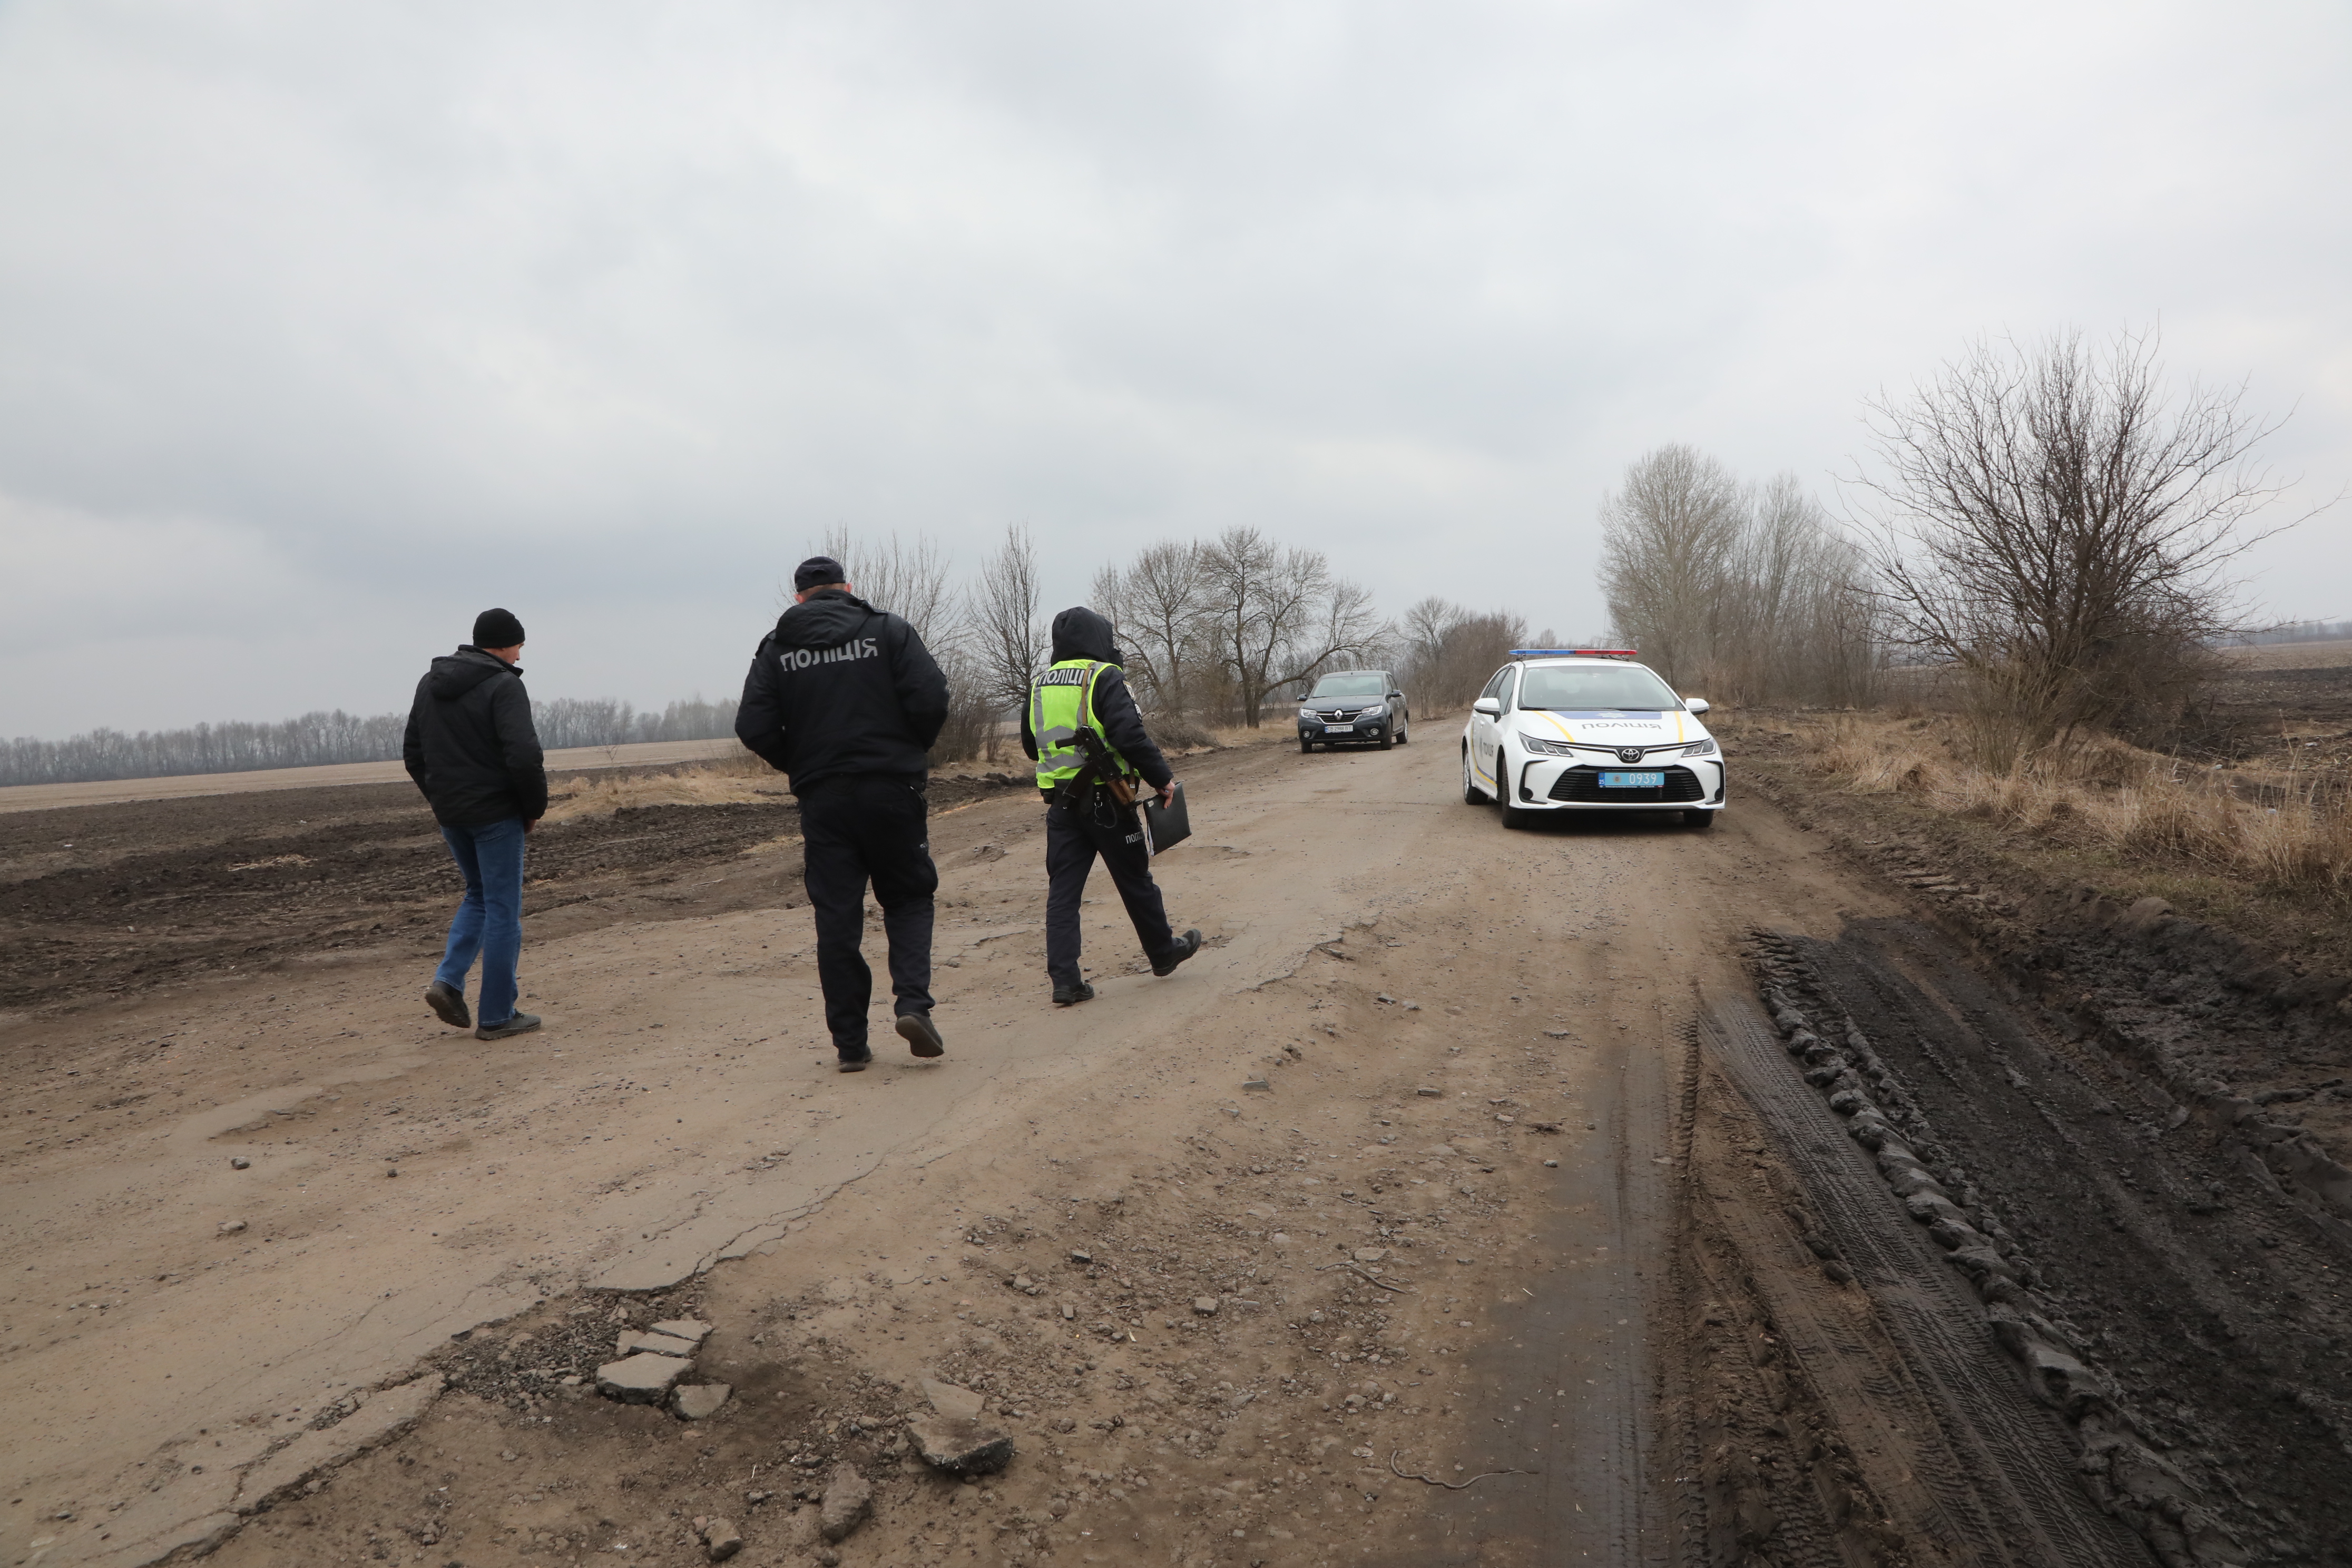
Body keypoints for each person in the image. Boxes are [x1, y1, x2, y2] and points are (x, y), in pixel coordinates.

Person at [736, 556, 952, 1072]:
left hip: (824, 801)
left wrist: (803, 764)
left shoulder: (776, 651)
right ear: (848, 588)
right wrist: (908, 752)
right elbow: (932, 697)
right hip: (892, 788)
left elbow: (753, 725)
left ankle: (850, 1044)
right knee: (907, 897)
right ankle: (913, 1006)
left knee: (837, 918)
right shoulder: (887, 630)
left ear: (799, 599)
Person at [1021, 606, 1202, 1005]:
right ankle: (1163, 953)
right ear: (1099, 638)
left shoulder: (1039, 685)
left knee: (1063, 893)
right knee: (1135, 880)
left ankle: (1065, 982)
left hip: (1062, 806)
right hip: (1107, 800)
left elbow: (1031, 745)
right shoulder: (1104, 676)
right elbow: (1129, 736)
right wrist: (1163, 779)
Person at [405, 607, 548, 1041]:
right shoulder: (504, 685)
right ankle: (497, 1015)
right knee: (503, 909)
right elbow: (523, 755)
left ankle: (448, 982)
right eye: (520, 644)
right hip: (495, 815)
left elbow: (414, 754)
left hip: (453, 815)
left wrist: (442, 801)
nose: (521, 653)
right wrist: (533, 809)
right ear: (505, 644)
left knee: (479, 896)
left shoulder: (430, 683)